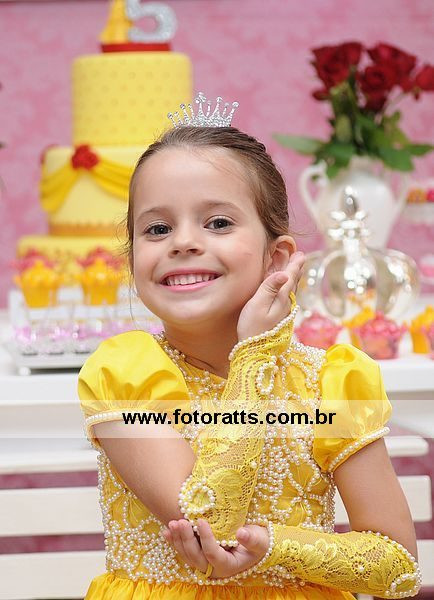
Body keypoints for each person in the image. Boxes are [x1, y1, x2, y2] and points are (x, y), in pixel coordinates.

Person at [78, 93, 421, 600]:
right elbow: (209, 520)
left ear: (276, 257)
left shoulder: (332, 382)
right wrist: (255, 356)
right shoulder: (124, 374)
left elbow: (398, 568)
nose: (182, 242)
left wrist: (276, 548)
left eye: (218, 222)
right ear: (132, 259)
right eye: (157, 228)